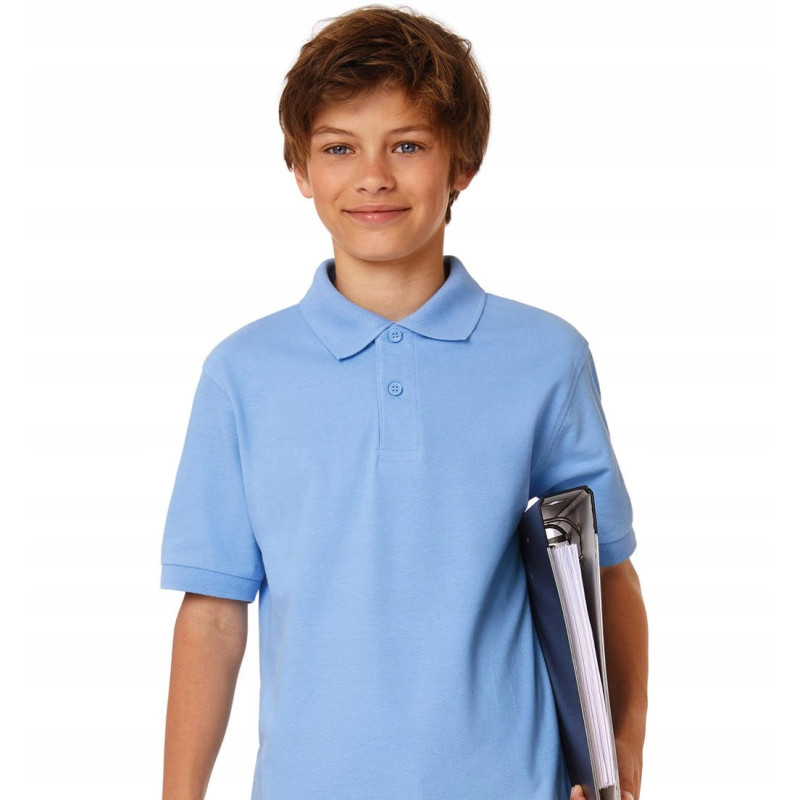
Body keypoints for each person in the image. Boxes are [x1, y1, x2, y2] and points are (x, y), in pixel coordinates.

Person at [160, 7, 648, 800]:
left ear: (462, 165)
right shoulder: (241, 374)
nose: (373, 176)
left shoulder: (545, 358)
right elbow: (213, 612)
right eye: (338, 148)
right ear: (300, 169)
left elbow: (605, 575)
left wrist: (620, 756)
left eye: (408, 145)